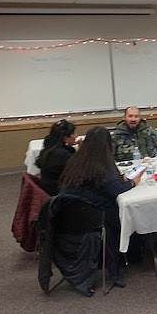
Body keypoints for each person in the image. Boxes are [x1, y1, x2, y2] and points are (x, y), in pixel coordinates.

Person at [59, 126, 143, 294]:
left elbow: (105, 184)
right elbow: (115, 190)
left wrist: (120, 179)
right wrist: (133, 182)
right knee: (128, 214)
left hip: (70, 214)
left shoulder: (78, 159)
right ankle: (134, 254)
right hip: (94, 217)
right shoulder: (103, 164)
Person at [35, 119, 81, 196]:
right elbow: (79, 170)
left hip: (50, 187)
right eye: (73, 133)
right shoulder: (62, 154)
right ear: (65, 138)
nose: (76, 136)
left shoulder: (49, 148)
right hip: (59, 192)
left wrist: (69, 147)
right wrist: (81, 150)